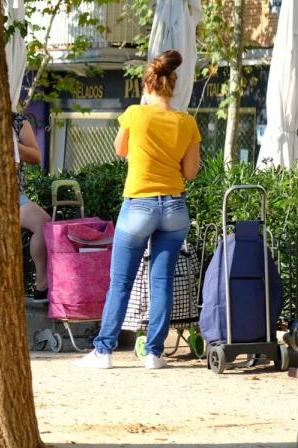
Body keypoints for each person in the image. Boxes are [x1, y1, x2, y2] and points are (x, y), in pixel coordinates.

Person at [77, 50, 201, 370]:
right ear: (172, 86)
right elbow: (190, 172)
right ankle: (154, 354)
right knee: (162, 282)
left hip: (138, 206)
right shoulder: (187, 122)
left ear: (147, 86)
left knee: (120, 282)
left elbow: (119, 150)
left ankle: (103, 351)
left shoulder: (135, 113)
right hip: (174, 206)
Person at [14, 113, 52, 300]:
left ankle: (41, 284)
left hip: (13, 195)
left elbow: (36, 157)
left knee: (44, 223)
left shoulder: (17, 121)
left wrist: (14, 145)